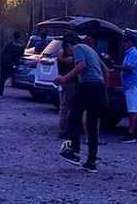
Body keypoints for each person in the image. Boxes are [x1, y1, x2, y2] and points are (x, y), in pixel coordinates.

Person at [53, 34, 109, 173]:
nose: (71, 56)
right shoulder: (93, 51)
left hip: (87, 86)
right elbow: (106, 71)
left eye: (68, 52)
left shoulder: (78, 48)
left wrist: (64, 78)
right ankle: (91, 162)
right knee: (92, 125)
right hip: (99, 87)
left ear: (68, 46)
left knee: (73, 118)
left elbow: (81, 66)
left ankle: (74, 152)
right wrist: (105, 91)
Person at [116, 31, 137, 143]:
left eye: (125, 41)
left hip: (134, 86)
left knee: (132, 110)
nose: (124, 44)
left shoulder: (133, 53)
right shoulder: (131, 53)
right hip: (133, 86)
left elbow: (129, 68)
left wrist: (117, 67)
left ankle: (130, 134)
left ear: (131, 42)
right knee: (136, 109)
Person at [56, 33, 77, 139]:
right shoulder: (63, 53)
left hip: (66, 81)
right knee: (65, 107)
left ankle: (65, 129)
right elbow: (69, 62)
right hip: (67, 82)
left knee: (66, 107)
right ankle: (63, 130)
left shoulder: (62, 52)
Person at [0, 31, 25, 97]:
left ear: (13, 36)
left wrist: (3, 59)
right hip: (13, 63)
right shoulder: (22, 45)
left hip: (5, 61)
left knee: (2, 77)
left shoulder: (9, 43)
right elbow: (22, 55)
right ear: (20, 36)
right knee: (5, 77)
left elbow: (3, 51)